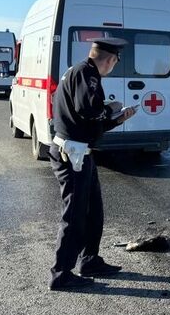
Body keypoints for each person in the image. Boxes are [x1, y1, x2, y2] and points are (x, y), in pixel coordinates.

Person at [48, 37, 137, 290]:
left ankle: (90, 260)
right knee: (74, 216)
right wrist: (110, 109)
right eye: (115, 62)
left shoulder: (77, 72)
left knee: (93, 211)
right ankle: (60, 274)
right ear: (110, 59)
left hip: (80, 152)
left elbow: (87, 121)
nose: (114, 66)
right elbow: (89, 110)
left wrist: (117, 119)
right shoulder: (88, 75)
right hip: (72, 154)